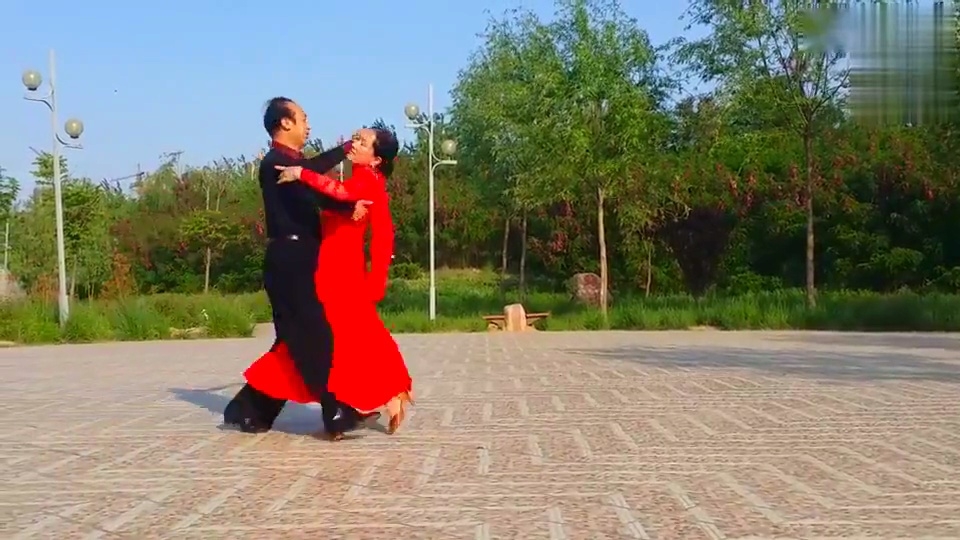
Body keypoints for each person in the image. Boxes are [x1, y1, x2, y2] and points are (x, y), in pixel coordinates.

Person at [223, 97, 377, 439]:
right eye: (304, 119)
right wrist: (346, 192)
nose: (309, 126)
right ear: (285, 123)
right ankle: (335, 410)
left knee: (292, 343)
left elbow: (310, 179)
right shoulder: (275, 163)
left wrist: (346, 200)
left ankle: (247, 408)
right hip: (289, 258)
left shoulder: (291, 165)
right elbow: (309, 182)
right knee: (315, 333)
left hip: (299, 256)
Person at [243, 127, 414, 435]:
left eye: (362, 142)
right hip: (327, 263)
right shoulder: (357, 174)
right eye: (355, 137)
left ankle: (383, 393)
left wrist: (301, 173)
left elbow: (348, 201)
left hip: (341, 269)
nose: (354, 144)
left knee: (346, 334)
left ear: (376, 159)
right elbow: (334, 191)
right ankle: (367, 399)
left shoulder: (369, 180)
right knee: (336, 336)